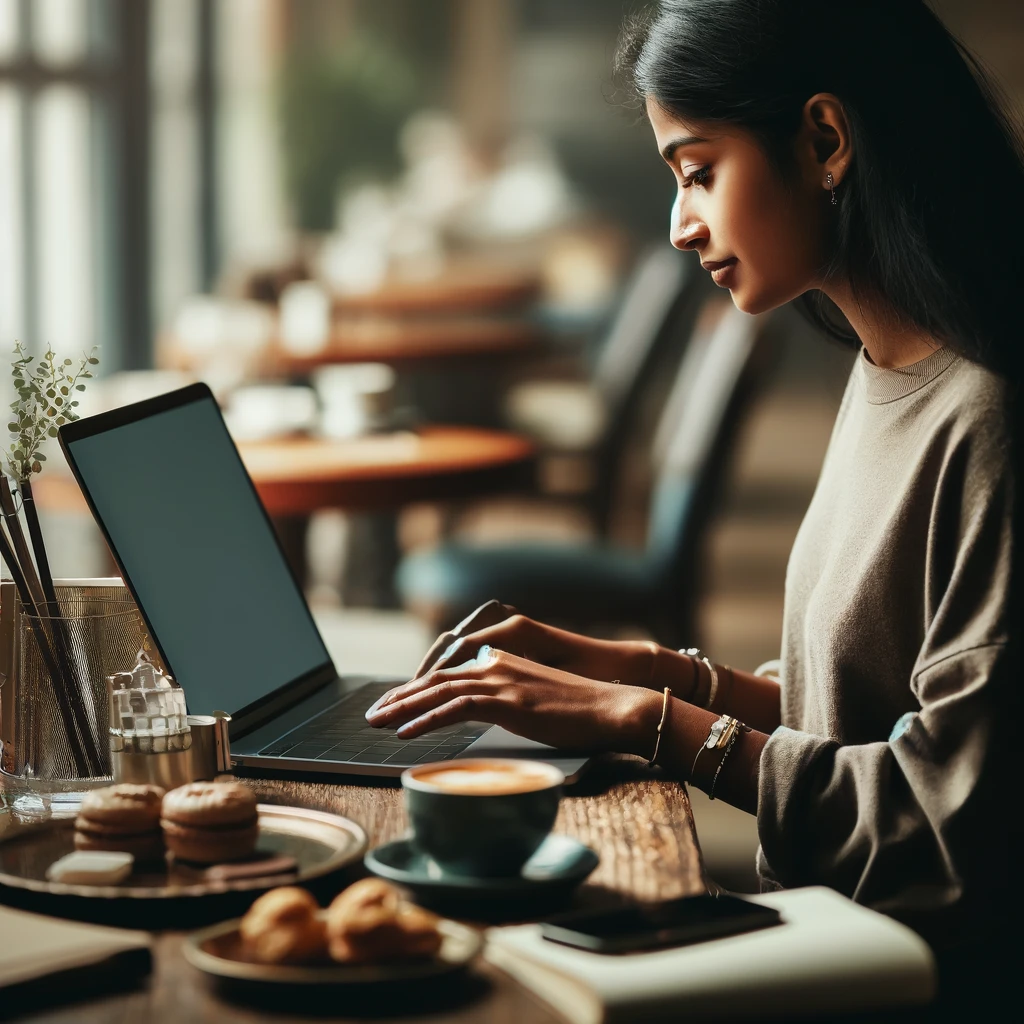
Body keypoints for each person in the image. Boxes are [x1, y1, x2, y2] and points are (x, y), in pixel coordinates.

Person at [368, 0, 1021, 999]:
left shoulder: (985, 423)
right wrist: (645, 669)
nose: (679, 226)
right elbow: (861, 711)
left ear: (823, 139)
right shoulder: (886, 369)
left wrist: (646, 720)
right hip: (823, 933)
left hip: (892, 981)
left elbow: (939, 828)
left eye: (698, 171)